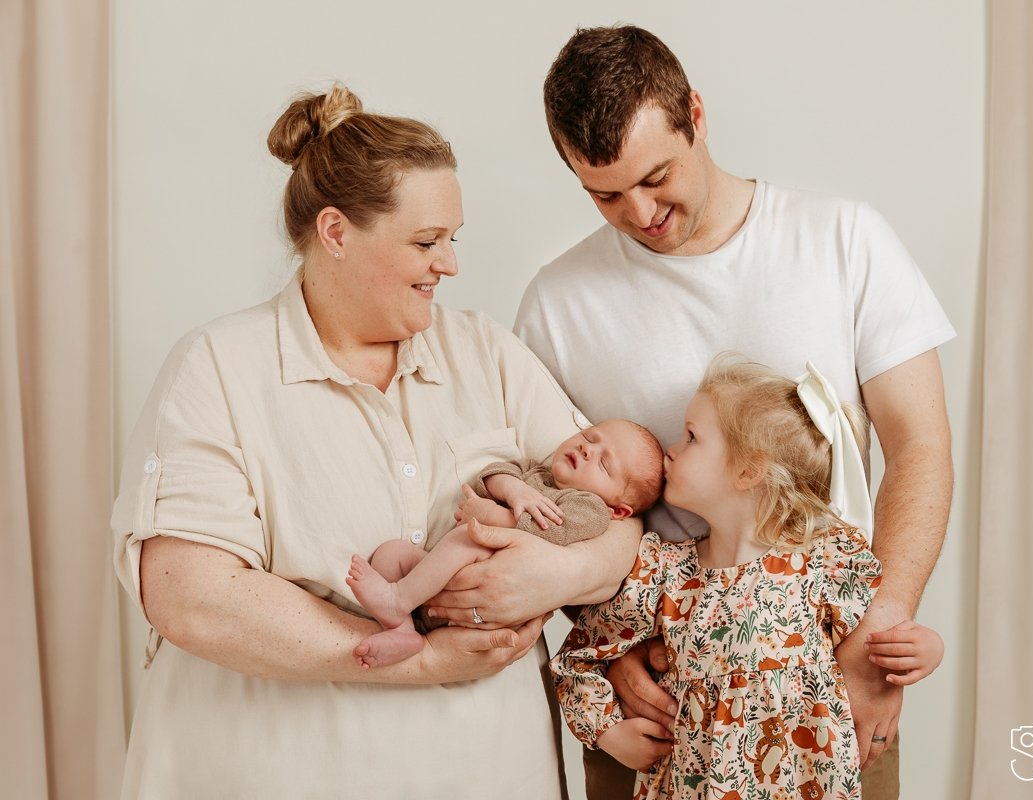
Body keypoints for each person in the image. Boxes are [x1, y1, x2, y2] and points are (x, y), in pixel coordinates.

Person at [109, 83, 642, 798]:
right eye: (426, 241)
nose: (450, 264)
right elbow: (188, 594)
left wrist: (560, 577)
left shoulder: (485, 351)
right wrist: (419, 660)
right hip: (274, 774)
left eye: (454, 238)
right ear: (336, 233)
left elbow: (616, 510)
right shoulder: (217, 369)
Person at [517, 25, 955, 800]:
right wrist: (608, 652)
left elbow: (919, 447)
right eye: (606, 193)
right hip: (652, 718)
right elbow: (551, 510)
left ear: (696, 114)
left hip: (822, 695)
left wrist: (877, 638)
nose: (642, 211)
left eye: (657, 176)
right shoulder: (557, 304)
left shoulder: (841, 239)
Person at [552, 357, 944, 799]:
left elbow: (881, 641)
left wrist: (926, 649)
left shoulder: (827, 564)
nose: (671, 450)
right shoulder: (662, 575)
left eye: (691, 437)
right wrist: (607, 733)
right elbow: (577, 661)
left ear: (748, 470)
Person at [345, 418, 664, 668]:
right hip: (438, 579)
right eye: (589, 437)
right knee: (390, 554)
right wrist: (514, 491)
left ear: (618, 510)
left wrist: (492, 514)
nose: (586, 449)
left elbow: (553, 532)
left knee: (470, 537)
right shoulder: (537, 471)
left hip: (488, 601)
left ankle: (397, 599)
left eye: (604, 463)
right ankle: (403, 631)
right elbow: (494, 473)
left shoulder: (591, 509)